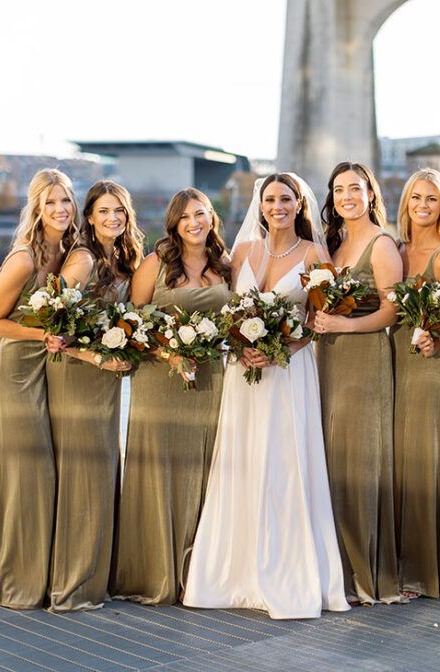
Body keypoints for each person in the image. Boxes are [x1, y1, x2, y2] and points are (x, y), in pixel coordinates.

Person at [183, 173, 349, 620]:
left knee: (286, 463)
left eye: (286, 199)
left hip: (290, 373)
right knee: (244, 460)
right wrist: (243, 346)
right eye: (270, 199)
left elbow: (318, 321)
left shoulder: (316, 254)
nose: (277, 206)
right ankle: (234, 575)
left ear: (299, 205)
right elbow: (228, 312)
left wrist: (281, 350)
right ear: (260, 205)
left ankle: (288, 573)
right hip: (244, 374)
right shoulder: (242, 253)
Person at [110, 188, 231, 605]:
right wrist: (169, 352)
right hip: (160, 381)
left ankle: (197, 574)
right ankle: (155, 571)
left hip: (211, 379)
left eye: (201, 214)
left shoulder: (225, 265)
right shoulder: (154, 264)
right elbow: (131, 321)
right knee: (160, 469)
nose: (194, 223)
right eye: (184, 217)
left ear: (211, 217)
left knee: (204, 469)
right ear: (174, 225)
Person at [0, 168, 80, 608]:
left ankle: (39, 577)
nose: (60, 210)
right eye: (51, 202)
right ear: (37, 208)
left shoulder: (68, 253)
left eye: (66, 201)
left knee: (47, 473)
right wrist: (41, 336)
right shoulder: (23, 259)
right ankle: (15, 584)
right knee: (28, 473)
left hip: (47, 371)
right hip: (14, 374)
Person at [44, 180, 143, 611]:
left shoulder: (124, 257)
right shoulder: (83, 259)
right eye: (103, 211)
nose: (112, 218)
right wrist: (94, 357)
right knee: (83, 474)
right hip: (78, 375)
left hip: (105, 379)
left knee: (102, 472)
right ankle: (73, 586)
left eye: (119, 210)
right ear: (89, 216)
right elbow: (52, 324)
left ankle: (95, 576)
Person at [312, 161, 404, 605]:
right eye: (339, 190)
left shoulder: (382, 245)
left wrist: (342, 327)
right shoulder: (334, 244)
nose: (347, 196)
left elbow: (392, 311)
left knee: (361, 460)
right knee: (332, 459)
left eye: (355, 188)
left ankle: (366, 573)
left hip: (364, 360)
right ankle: (335, 567)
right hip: (327, 360)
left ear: (371, 194)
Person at [390, 168, 440, 600]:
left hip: (427, 364)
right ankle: (400, 562)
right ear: (406, 204)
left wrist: (438, 337)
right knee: (400, 459)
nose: (422, 205)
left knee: (424, 459)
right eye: (416, 197)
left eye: (431, 199)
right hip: (394, 359)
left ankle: (424, 570)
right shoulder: (396, 250)